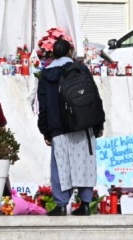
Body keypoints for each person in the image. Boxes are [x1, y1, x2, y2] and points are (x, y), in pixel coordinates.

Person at [37, 38, 104, 217]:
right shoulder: (80, 69)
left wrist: (45, 130)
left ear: (53, 54)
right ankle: (85, 203)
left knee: (60, 165)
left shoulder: (46, 75)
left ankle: (60, 204)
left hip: (58, 127)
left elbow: (42, 106)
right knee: (84, 163)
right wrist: (99, 123)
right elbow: (94, 98)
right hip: (82, 124)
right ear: (69, 53)